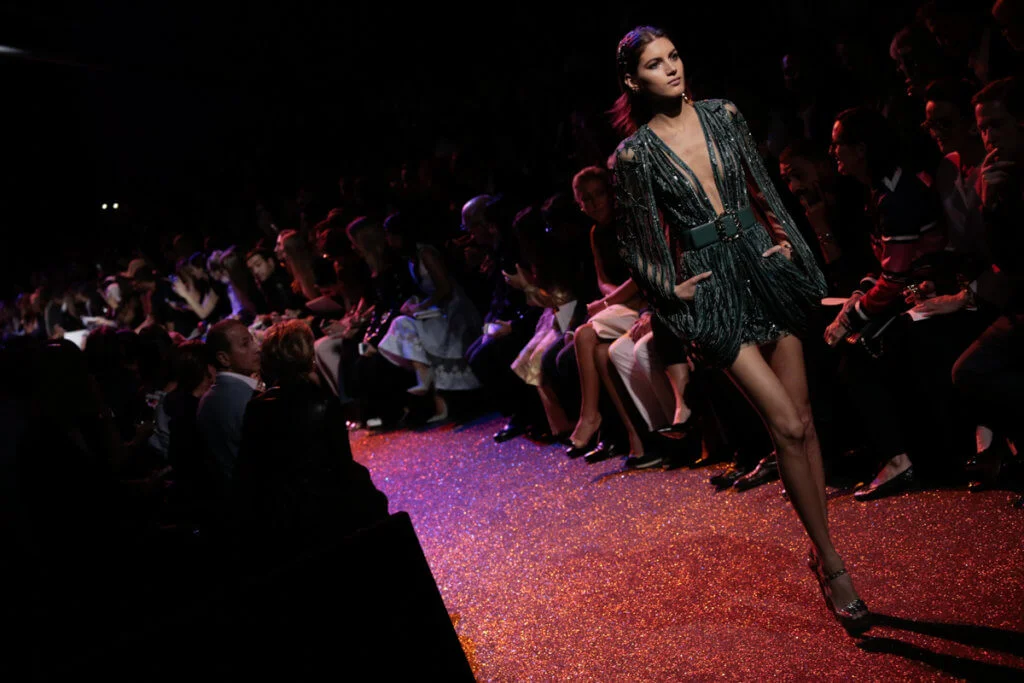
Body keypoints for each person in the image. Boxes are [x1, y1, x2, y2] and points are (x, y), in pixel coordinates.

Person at [609, 26, 868, 632]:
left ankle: (820, 548)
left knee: (802, 423)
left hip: (761, 264)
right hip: (712, 286)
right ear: (632, 81)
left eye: (674, 56)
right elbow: (636, 239)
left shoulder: (724, 115)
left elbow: (764, 187)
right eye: (655, 64)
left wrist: (788, 243)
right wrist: (668, 289)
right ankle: (833, 563)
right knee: (784, 424)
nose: (671, 68)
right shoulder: (634, 156)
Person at [232, 320, 389, 564]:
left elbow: (250, 467)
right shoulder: (323, 403)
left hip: (280, 510)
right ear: (307, 356)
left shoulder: (256, 407)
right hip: (322, 506)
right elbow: (341, 465)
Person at [377, 211, 482, 423]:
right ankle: (427, 382)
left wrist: (420, 307)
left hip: (453, 311)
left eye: (390, 235)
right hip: (436, 309)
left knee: (405, 324)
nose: (388, 241)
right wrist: (415, 303)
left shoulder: (426, 253)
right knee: (402, 323)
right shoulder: (410, 259)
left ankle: (425, 378)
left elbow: (445, 288)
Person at [196, 320, 262, 488]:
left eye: (253, 340)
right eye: (245, 344)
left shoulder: (207, 398)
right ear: (224, 358)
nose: (257, 348)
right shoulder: (250, 399)